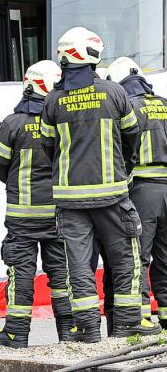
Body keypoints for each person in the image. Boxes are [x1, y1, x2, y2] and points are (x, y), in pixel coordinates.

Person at [41, 27, 159, 341]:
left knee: (79, 267)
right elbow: (132, 137)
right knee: (126, 262)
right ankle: (126, 328)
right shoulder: (115, 94)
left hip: (70, 203)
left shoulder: (53, 101)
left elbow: (47, 148)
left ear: (65, 57)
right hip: (114, 199)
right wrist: (123, 170)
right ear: (94, 56)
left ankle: (89, 330)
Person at [0, 60, 78, 349]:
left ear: (30, 85)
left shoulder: (13, 124)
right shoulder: (64, 121)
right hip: (58, 215)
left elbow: (1, 167)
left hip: (22, 217)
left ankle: (16, 334)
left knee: (21, 274)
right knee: (62, 275)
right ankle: (69, 334)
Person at [107, 57, 167, 329]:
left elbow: (121, 152)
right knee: (165, 255)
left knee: (138, 255)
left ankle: (142, 314)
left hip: (143, 189)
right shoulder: (165, 104)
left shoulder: (129, 107)